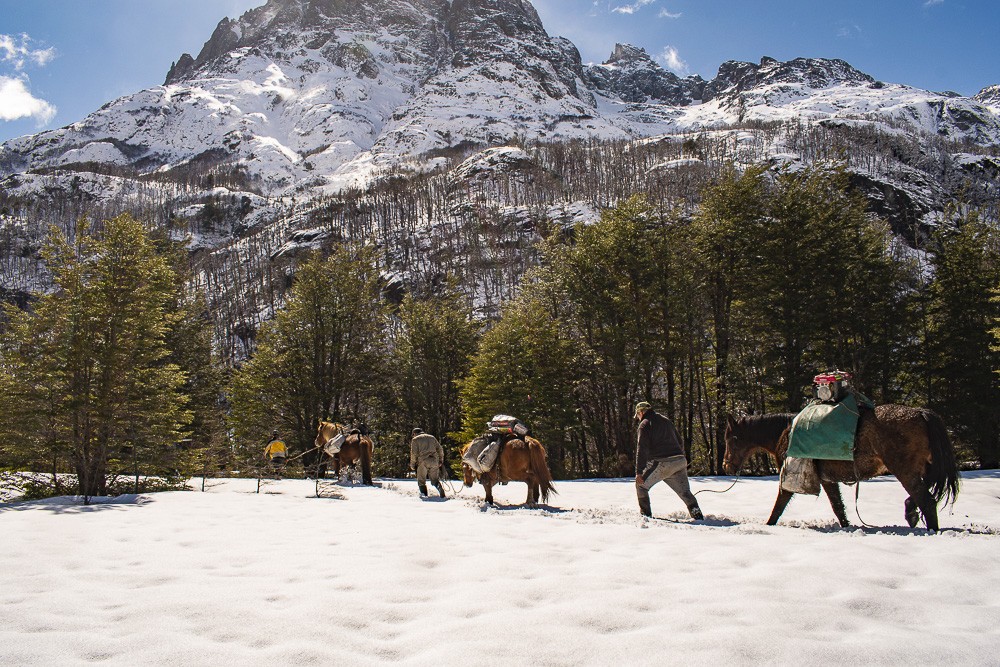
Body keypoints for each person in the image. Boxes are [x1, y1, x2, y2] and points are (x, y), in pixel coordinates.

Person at [634, 401, 704, 520]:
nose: (638, 418)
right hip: (680, 461)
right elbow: (680, 441)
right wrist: (676, 457)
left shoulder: (644, 424)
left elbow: (642, 449)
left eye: (638, 415)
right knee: (685, 492)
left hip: (662, 463)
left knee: (641, 485)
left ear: (641, 412)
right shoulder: (666, 420)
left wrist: (639, 472)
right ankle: (697, 515)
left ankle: (645, 517)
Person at [409, 428, 446, 498]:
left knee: (421, 480)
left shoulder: (415, 440)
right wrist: (441, 460)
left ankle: (424, 495)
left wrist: (412, 464)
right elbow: (440, 449)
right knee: (435, 479)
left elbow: (414, 453)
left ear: (414, 433)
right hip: (434, 461)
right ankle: (440, 488)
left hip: (422, 461)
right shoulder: (432, 437)